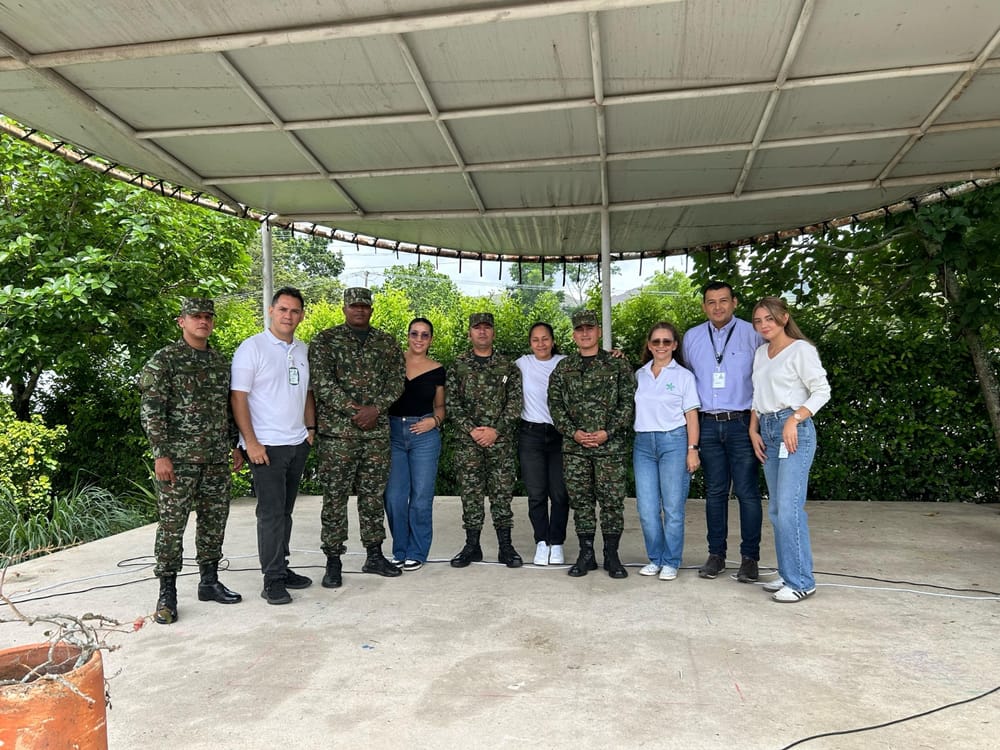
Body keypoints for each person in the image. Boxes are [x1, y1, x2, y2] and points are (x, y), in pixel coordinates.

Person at [139, 297, 242, 625]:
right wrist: (161, 454)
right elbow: (151, 410)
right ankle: (167, 593)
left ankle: (209, 582)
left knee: (214, 522)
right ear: (181, 321)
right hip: (178, 461)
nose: (203, 321)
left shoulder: (218, 362)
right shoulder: (165, 361)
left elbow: (226, 410)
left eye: (208, 316)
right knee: (172, 527)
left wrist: (235, 445)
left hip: (214, 459)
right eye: (195, 316)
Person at [309, 287, 405, 588]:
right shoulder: (325, 341)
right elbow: (322, 382)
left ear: (371, 310)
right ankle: (333, 561)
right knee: (335, 498)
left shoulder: (386, 342)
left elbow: (397, 380)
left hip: (375, 433)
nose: (359, 310)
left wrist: (375, 409)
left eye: (364, 306)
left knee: (373, 497)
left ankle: (374, 555)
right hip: (338, 435)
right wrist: (355, 411)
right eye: (354, 306)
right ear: (344, 309)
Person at [231, 287, 315, 606]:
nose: (288, 316)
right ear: (271, 311)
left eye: (294, 311)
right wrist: (250, 442)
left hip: (296, 443)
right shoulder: (252, 348)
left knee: (286, 511)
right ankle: (273, 580)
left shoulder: (302, 350)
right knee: (270, 514)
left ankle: (282, 566)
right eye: (282, 310)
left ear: (301, 315)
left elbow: (306, 393)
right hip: (266, 446)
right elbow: (238, 397)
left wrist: (310, 429)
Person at [682, 281, 765, 583]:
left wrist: (754, 425)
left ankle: (749, 559)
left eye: (723, 301)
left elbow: (763, 380)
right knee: (715, 493)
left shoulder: (753, 334)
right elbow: (685, 378)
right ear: (704, 306)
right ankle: (716, 555)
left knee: (747, 492)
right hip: (706, 424)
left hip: (742, 423)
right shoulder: (692, 337)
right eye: (711, 302)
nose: (718, 307)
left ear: (735, 302)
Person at [749, 297, 830, 603]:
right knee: (777, 509)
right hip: (768, 429)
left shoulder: (801, 350)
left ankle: (801, 582)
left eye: (768, 319)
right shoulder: (761, 353)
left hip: (793, 431)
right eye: (758, 321)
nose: (763, 325)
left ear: (784, 318)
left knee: (789, 508)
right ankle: (788, 573)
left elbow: (822, 391)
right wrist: (752, 428)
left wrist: (795, 419)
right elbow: (758, 396)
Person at [548, 309, 635, 579]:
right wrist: (572, 432)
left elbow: (628, 403)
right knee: (581, 502)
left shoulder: (618, 365)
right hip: (575, 449)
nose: (585, 333)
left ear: (598, 331)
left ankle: (612, 554)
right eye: (579, 329)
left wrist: (607, 432)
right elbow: (555, 405)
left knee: (612, 503)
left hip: (610, 448)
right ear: (574, 335)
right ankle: (587, 554)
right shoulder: (564, 367)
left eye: (590, 328)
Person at [447, 312, 524, 568]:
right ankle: (472, 546)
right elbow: (451, 403)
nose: (482, 332)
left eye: (487, 328)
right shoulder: (458, 365)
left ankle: (506, 547)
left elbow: (515, 404)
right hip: (468, 443)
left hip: (499, 442)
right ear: (469, 332)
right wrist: (472, 430)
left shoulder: (508, 367)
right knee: (471, 495)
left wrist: (495, 431)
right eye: (477, 328)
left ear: (493, 332)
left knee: (502, 495)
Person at [633, 322, 701, 581]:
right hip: (643, 444)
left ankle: (671, 560)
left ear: (674, 345)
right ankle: (655, 558)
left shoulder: (684, 376)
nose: (661, 346)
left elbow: (692, 415)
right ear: (649, 346)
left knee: (673, 508)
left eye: (666, 341)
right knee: (647, 508)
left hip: (674, 441)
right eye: (656, 341)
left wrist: (692, 449)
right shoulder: (639, 375)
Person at [384, 317, 446, 572]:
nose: (419, 339)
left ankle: (417, 551)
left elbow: (441, 406)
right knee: (395, 497)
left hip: (424, 435)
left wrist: (434, 421)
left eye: (425, 335)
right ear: (407, 336)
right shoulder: (393, 363)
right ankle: (400, 550)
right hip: (393, 432)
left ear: (431, 339)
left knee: (421, 496)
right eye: (414, 334)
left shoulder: (437, 369)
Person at [515, 322, 570, 566]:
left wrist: (615, 354)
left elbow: (594, 360)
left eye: (545, 338)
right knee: (536, 492)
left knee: (559, 493)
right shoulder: (521, 364)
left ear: (553, 340)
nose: (541, 344)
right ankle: (541, 542)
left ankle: (556, 543)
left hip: (560, 435)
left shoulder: (566, 362)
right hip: (531, 434)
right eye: (536, 339)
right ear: (530, 343)